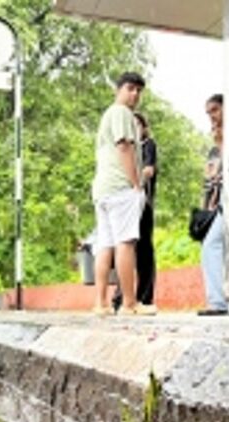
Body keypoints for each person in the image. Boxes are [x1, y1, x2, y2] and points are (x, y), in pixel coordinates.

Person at [91, 72, 150, 316]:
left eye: (138, 90)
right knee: (126, 243)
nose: (134, 94)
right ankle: (129, 303)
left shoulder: (108, 114)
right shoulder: (122, 113)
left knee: (105, 245)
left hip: (102, 189)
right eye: (130, 88)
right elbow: (124, 147)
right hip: (120, 187)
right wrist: (136, 184)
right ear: (119, 89)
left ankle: (101, 303)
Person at [112, 112, 158, 314]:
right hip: (124, 200)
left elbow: (149, 169)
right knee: (125, 246)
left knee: (143, 250)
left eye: (138, 124)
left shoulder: (147, 145)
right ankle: (121, 296)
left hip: (142, 202)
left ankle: (144, 296)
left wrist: (136, 180)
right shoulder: (125, 148)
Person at [198, 94, 228, 316]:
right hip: (219, 205)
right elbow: (209, 180)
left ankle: (220, 301)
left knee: (214, 247)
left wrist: (223, 141)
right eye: (209, 113)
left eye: (215, 110)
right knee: (212, 246)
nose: (212, 117)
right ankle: (218, 301)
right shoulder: (214, 149)